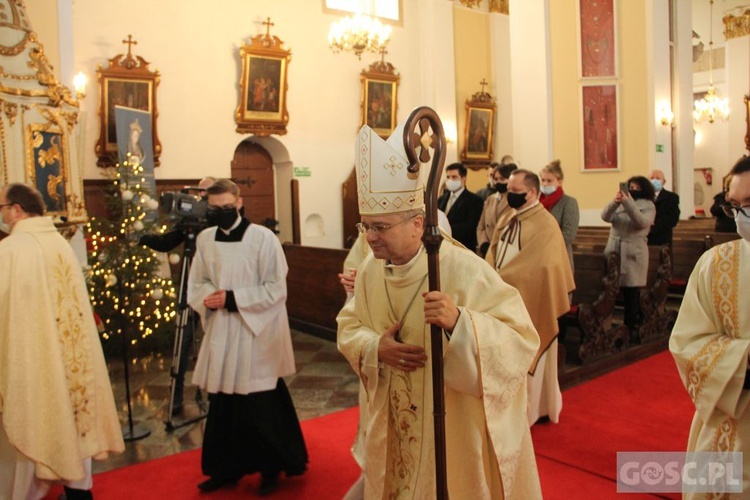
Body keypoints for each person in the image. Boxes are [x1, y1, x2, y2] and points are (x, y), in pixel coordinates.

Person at [338, 125, 542, 498]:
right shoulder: (369, 270)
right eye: (365, 226)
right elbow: (349, 327)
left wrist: (461, 324)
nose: (369, 237)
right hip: (393, 425)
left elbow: (521, 339)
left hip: (452, 430)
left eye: (380, 227)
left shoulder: (462, 269)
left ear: (418, 224)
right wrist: (374, 348)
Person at [0, 183, 124, 500]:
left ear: (16, 209)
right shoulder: (59, 242)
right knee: (73, 416)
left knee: (33, 423)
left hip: (33, 357)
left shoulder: (10, 250)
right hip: (72, 355)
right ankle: (79, 490)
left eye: (1, 208)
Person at [188, 179, 307, 494]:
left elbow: (275, 289)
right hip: (222, 332)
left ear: (239, 202)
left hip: (256, 333)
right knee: (223, 406)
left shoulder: (263, 239)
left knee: (259, 407)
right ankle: (225, 469)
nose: (222, 213)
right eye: (215, 209)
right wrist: (208, 299)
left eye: (227, 207)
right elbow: (196, 283)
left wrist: (231, 299)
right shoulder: (204, 240)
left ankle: (271, 468)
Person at [669, 156, 750, 498]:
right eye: (736, 206)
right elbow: (687, 342)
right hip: (731, 422)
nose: (743, 216)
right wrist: (742, 360)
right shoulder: (715, 265)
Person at [485, 169, 575, 426]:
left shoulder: (546, 224)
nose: (509, 196)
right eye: (509, 190)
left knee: (532, 352)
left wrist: (502, 280)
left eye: (515, 192)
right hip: (502, 296)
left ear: (532, 192)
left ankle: (536, 409)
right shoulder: (509, 216)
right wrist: (489, 274)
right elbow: (494, 248)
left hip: (529, 299)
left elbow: (541, 267)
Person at [139, 176, 215, 415]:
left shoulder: (219, 221)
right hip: (189, 287)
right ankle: (177, 395)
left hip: (213, 289)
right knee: (184, 340)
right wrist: (141, 238)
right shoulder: (188, 222)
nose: (201, 198)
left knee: (213, 340)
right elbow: (166, 242)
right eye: (198, 194)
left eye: (205, 194)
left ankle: (216, 394)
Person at [601, 176, 656, 342]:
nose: (632, 189)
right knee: (610, 290)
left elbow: (641, 222)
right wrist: (615, 202)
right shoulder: (620, 203)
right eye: (630, 186)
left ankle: (630, 327)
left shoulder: (649, 206)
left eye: (636, 187)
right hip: (614, 249)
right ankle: (608, 327)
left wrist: (628, 203)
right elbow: (605, 216)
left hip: (633, 252)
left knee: (631, 292)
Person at [539, 159, 579, 271]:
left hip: (559, 257)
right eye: (542, 180)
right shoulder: (537, 202)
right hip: (539, 257)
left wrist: (544, 245)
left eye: (549, 181)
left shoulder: (568, 202)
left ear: (559, 181)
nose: (545, 184)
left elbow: (568, 234)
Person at [437, 162, 484, 251]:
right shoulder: (441, 199)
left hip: (463, 248)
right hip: (442, 247)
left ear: (463, 179)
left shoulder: (475, 201)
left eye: (454, 177)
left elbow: (470, 227)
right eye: (448, 177)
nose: (450, 180)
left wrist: (443, 229)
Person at [476, 163, 517, 257]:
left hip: (506, 249)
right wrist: (484, 244)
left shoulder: (514, 200)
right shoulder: (491, 199)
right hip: (488, 248)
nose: (498, 182)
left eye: (502, 179)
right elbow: (481, 226)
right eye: (496, 179)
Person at [647, 169, 680, 246]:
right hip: (645, 239)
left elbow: (673, 218)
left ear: (664, 181)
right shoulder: (643, 197)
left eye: (658, 178)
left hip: (662, 239)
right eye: (652, 178)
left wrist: (652, 228)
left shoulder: (671, 197)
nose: (654, 180)